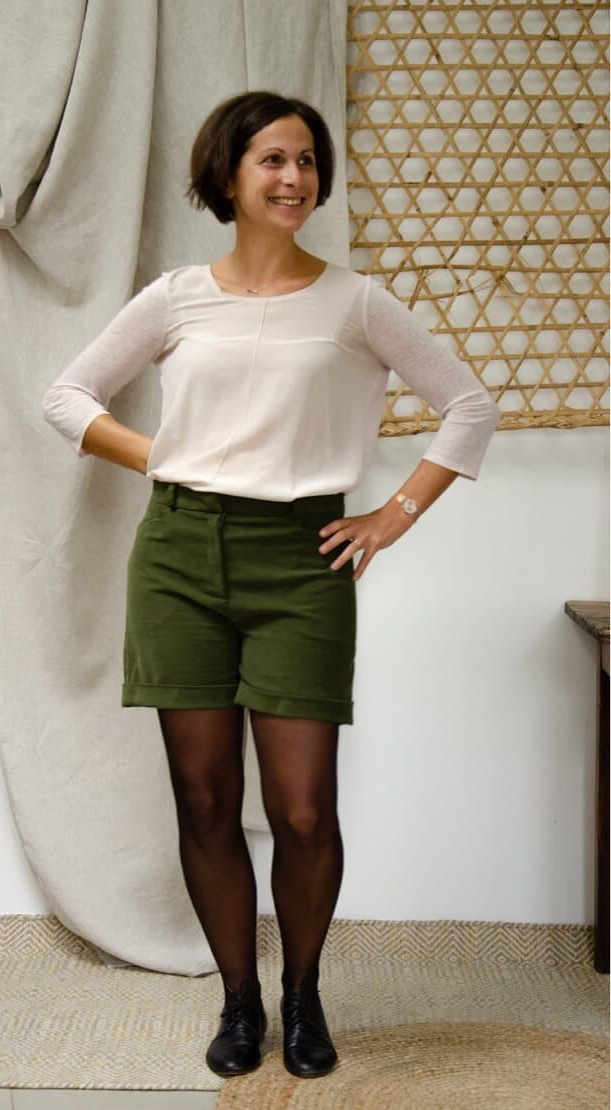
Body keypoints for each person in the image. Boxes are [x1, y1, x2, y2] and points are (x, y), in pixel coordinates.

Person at [42, 89, 500, 1080]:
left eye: (306, 161)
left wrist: (392, 515)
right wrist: (166, 457)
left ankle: (302, 994)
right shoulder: (175, 298)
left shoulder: (354, 303)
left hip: (302, 561)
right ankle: (238, 1001)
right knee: (204, 800)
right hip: (180, 558)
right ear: (229, 175)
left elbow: (468, 406)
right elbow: (66, 397)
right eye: (273, 160)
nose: (294, 178)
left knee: (300, 810)